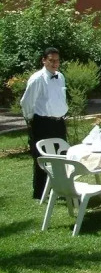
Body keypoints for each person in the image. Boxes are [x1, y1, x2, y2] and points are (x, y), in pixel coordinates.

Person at [20, 47, 68, 199]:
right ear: (44, 60)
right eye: (51, 60)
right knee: (42, 157)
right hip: (42, 123)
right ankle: (40, 192)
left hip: (59, 123)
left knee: (61, 156)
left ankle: (60, 189)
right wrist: (30, 119)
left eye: (57, 60)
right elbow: (26, 102)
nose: (55, 64)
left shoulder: (60, 76)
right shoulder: (37, 78)